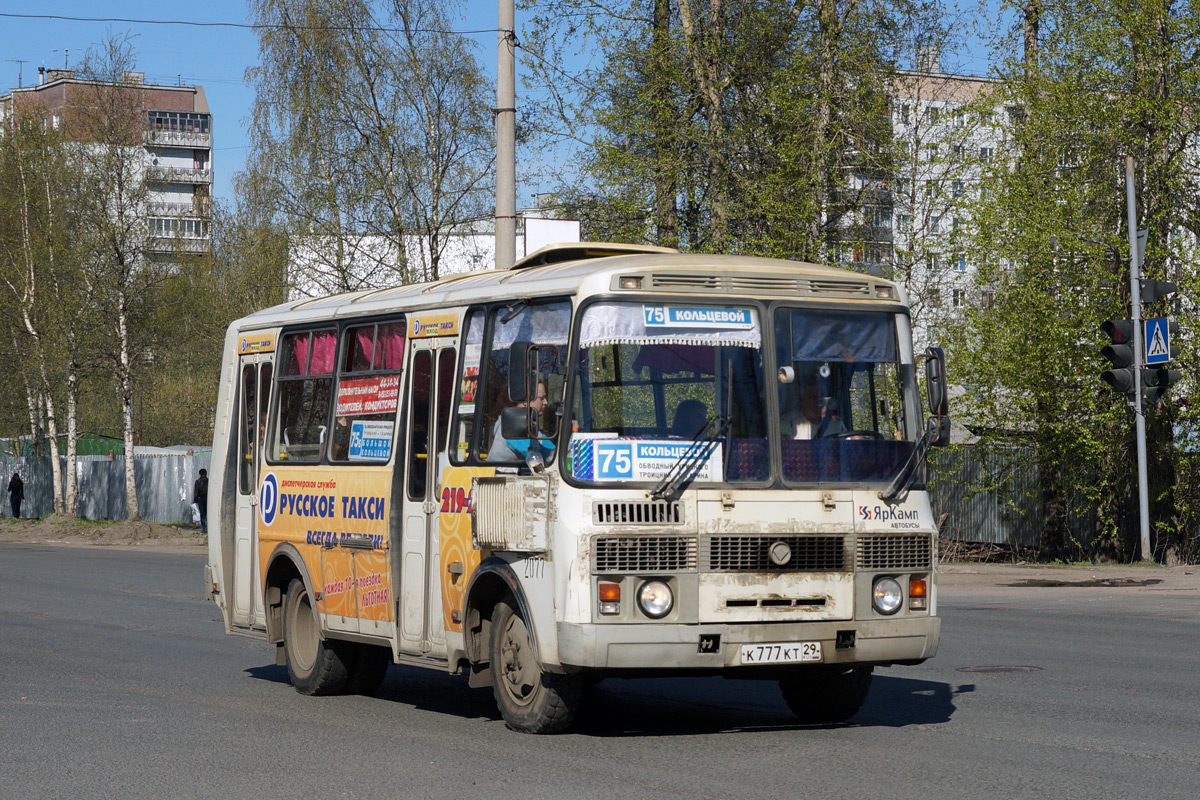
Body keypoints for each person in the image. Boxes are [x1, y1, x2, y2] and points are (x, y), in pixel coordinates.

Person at [489, 381, 555, 460]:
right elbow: (534, 453)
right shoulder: (511, 423)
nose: (546, 402)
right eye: (542, 398)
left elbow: (551, 449)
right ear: (525, 400)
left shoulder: (531, 426)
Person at [194, 468, 209, 533]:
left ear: (200, 474)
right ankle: (209, 527)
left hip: (200, 499)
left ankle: (203, 529)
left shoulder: (197, 481)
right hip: (208, 498)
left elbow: (196, 491)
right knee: (208, 513)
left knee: (202, 514)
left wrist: (195, 500)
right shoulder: (209, 481)